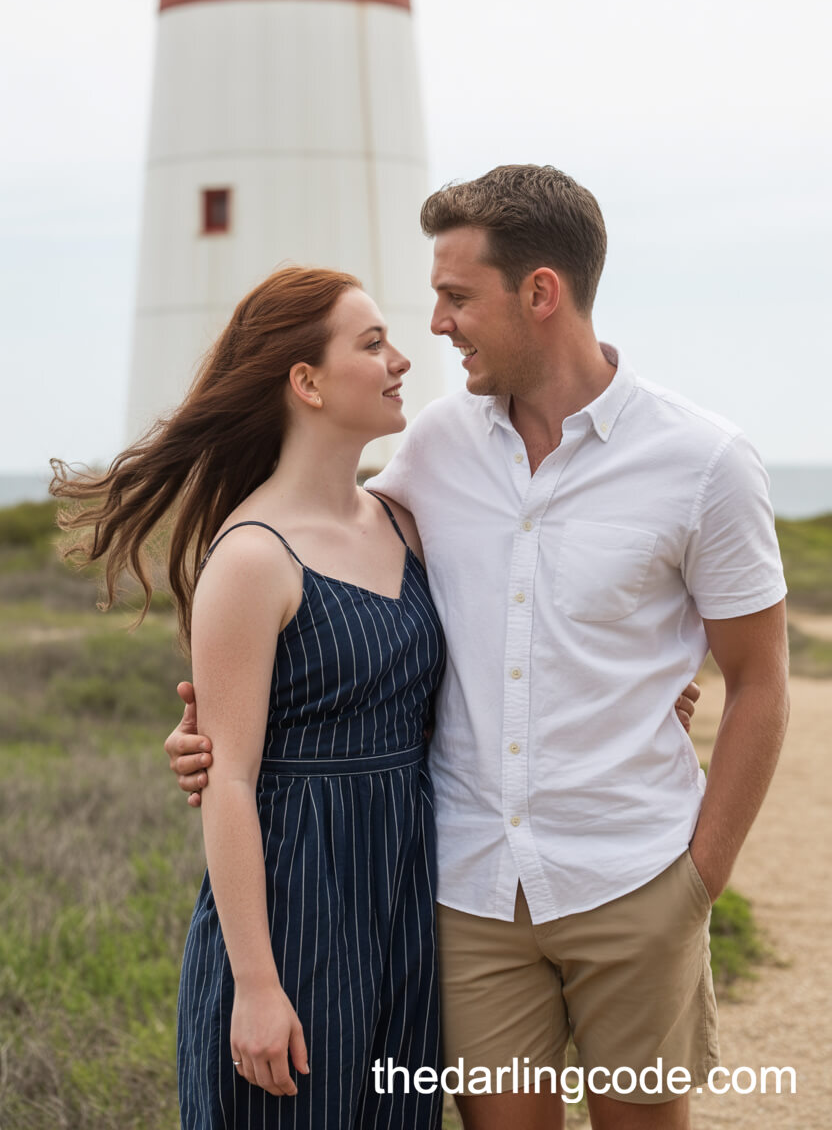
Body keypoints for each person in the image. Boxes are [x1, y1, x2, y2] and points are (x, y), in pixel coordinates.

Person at [167, 165, 789, 1130]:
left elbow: (759, 683)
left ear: (539, 292)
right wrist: (218, 735)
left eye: (456, 297)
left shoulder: (704, 461)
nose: (436, 326)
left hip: (635, 876)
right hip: (466, 894)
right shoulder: (434, 449)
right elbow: (318, 576)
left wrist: (700, 875)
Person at [51, 267, 446, 1130]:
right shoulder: (253, 556)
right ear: (307, 381)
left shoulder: (404, 523)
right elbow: (228, 781)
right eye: (372, 343)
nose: (401, 359)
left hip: (404, 905)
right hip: (296, 907)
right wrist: (258, 987)